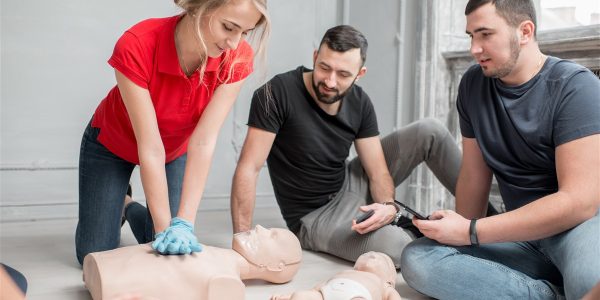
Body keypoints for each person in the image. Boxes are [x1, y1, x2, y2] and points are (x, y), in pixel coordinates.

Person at [400, 0, 600, 299]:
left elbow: (579, 202)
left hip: (580, 230)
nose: (474, 49)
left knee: (590, 282)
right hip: (519, 234)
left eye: (485, 34)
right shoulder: (473, 85)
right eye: (471, 36)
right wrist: (458, 234)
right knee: (419, 260)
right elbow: (473, 175)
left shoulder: (576, 87)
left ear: (525, 31)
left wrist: (471, 232)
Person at [230, 24, 462, 267]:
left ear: (359, 74)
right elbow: (249, 168)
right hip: (317, 217)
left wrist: (387, 207)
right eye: (324, 67)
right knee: (397, 248)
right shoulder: (275, 94)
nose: (330, 81)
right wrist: (244, 241)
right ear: (315, 57)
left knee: (429, 130)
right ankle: (424, 235)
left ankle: (483, 227)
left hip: (350, 182)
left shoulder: (360, 102)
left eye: (342, 74)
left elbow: (378, 171)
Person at [75, 0, 271, 264]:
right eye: (228, 27)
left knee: (164, 242)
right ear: (197, 6)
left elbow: (203, 141)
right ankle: (117, 201)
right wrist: (164, 225)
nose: (234, 43)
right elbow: (150, 146)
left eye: (244, 33)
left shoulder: (237, 57)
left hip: (175, 149)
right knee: (94, 253)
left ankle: (126, 203)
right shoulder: (137, 43)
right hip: (113, 142)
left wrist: (183, 224)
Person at [83, 225, 302, 300]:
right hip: (104, 264)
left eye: (272, 236)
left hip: (110, 281)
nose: (260, 228)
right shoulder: (217, 256)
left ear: (277, 266)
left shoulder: (229, 284)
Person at [271, 251, 402, 300]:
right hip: (326, 293)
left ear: (390, 279)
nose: (370, 254)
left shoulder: (383, 284)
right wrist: (291, 296)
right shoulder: (347, 273)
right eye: (365, 255)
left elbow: (393, 296)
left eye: (379, 258)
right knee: (302, 296)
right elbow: (318, 287)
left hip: (357, 296)